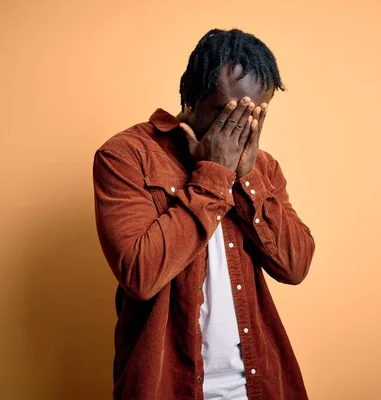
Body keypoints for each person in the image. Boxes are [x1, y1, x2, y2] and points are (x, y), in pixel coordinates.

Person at [93, 28, 315, 400]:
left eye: (254, 115)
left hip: (256, 386)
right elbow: (140, 274)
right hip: (167, 386)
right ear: (194, 96)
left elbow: (296, 266)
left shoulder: (263, 169)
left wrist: (243, 180)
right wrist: (214, 175)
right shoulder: (126, 155)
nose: (240, 128)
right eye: (229, 112)